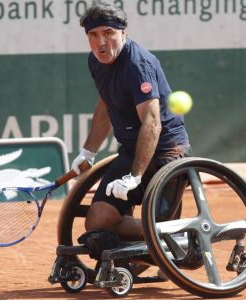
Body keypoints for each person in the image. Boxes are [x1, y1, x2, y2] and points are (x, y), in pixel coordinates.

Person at [71, 2, 192, 244]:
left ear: (123, 33)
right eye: (93, 35)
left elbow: (152, 123)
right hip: (131, 151)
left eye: (108, 33)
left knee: (158, 240)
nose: (101, 42)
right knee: (98, 220)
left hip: (166, 154)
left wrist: (135, 176)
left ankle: (171, 238)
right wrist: (88, 152)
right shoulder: (96, 61)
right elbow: (106, 106)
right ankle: (164, 238)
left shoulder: (138, 65)